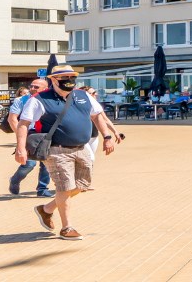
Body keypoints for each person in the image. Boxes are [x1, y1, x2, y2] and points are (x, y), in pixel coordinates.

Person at [13, 63, 120, 241]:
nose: (69, 81)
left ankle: (46, 209)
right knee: (64, 187)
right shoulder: (39, 99)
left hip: (81, 147)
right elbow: (23, 124)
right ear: (53, 80)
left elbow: (97, 115)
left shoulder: (83, 96)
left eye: (71, 77)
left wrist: (107, 136)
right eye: (64, 78)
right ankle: (67, 228)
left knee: (82, 185)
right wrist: (20, 148)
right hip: (56, 150)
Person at [7, 79, 52, 198]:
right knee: (29, 163)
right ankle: (15, 180)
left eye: (36, 87)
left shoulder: (49, 100)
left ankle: (42, 188)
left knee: (46, 163)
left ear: (45, 88)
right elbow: (12, 119)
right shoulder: (21, 100)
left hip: (45, 134)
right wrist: (21, 135)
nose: (32, 88)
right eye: (31, 86)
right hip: (29, 135)